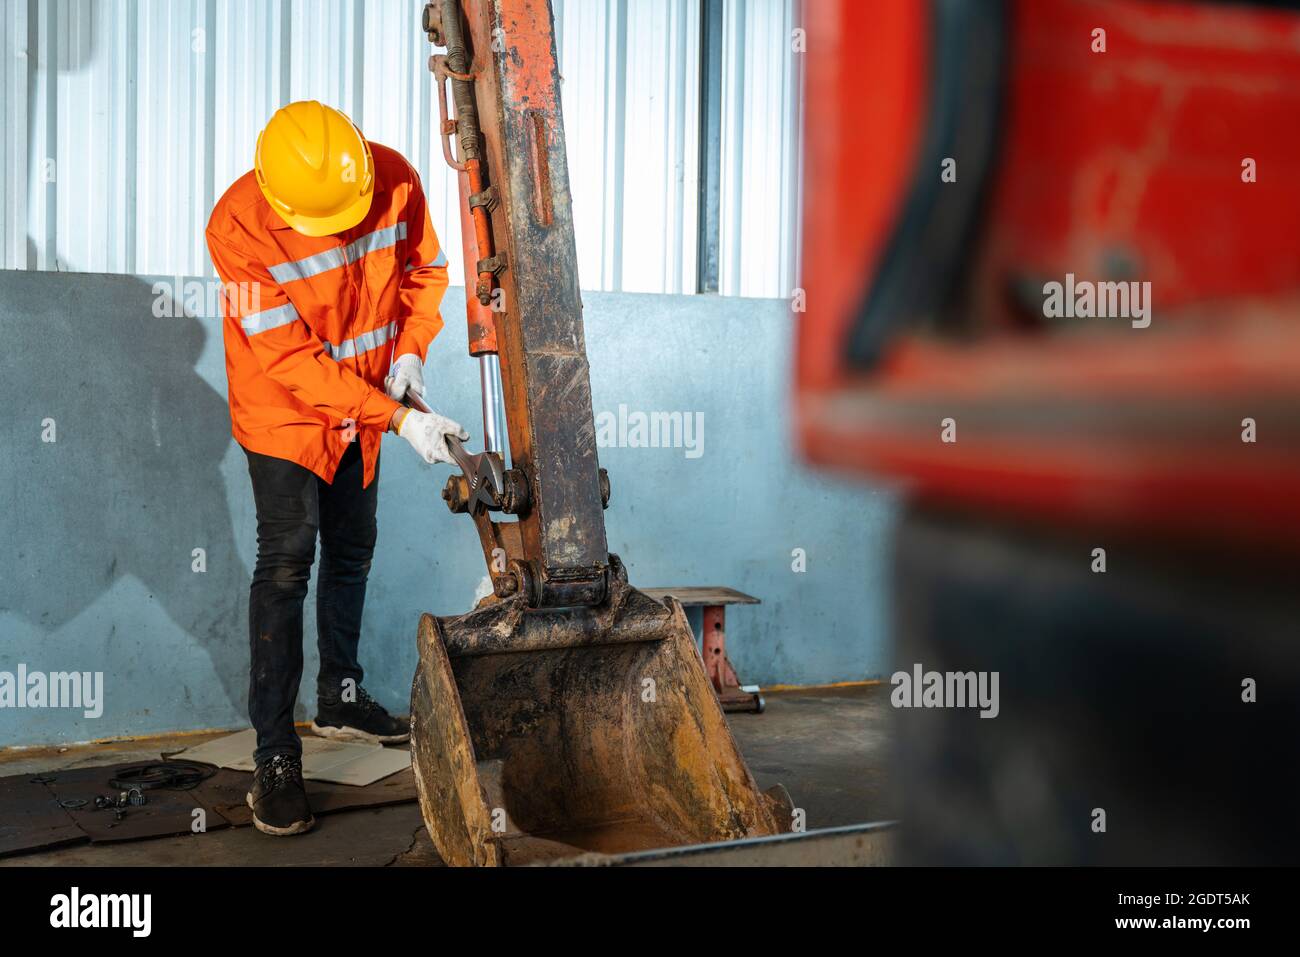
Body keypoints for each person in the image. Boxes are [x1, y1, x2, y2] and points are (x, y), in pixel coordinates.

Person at [206, 100, 465, 836]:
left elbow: (427, 269)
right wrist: (402, 417)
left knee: (353, 543)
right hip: (286, 411)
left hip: (373, 398)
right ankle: (275, 754)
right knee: (288, 559)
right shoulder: (239, 226)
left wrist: (412, 349)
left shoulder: (394, 179)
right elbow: (288, 359)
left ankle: (341, 693)